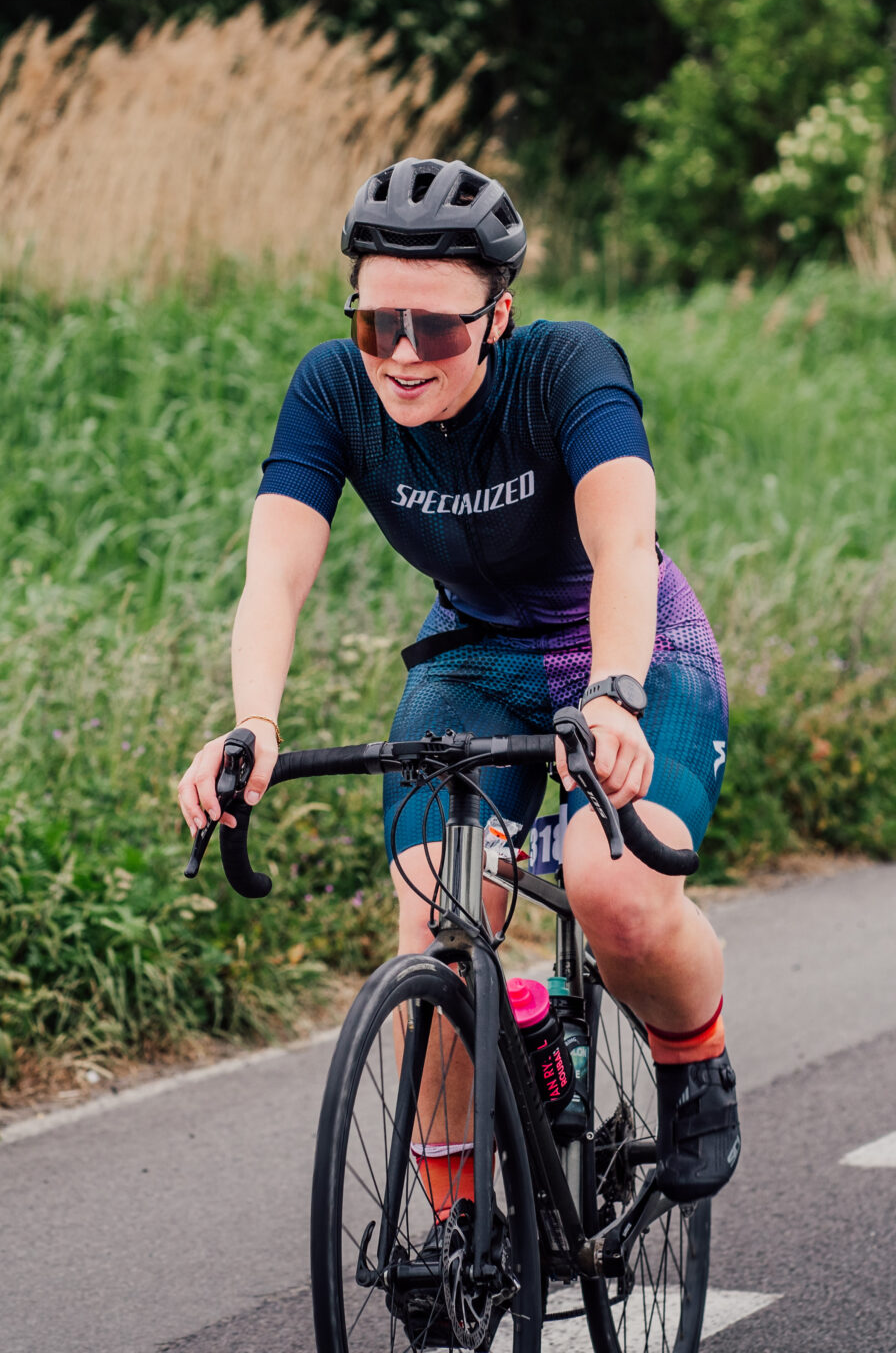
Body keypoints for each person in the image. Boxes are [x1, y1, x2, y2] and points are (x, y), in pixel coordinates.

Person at [175, 158, 739, 1222]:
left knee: (613, 890)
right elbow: (275, 574)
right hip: (474, 656)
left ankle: (692, 1056)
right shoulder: (332, 390)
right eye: (375, 322)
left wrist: (614, 695)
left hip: (633, 647)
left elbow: (622, 546)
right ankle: (456, 1224)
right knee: (439, 909)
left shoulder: (567, 367)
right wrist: (252, 723)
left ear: (496, 317)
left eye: (434, 328)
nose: (400, 354)